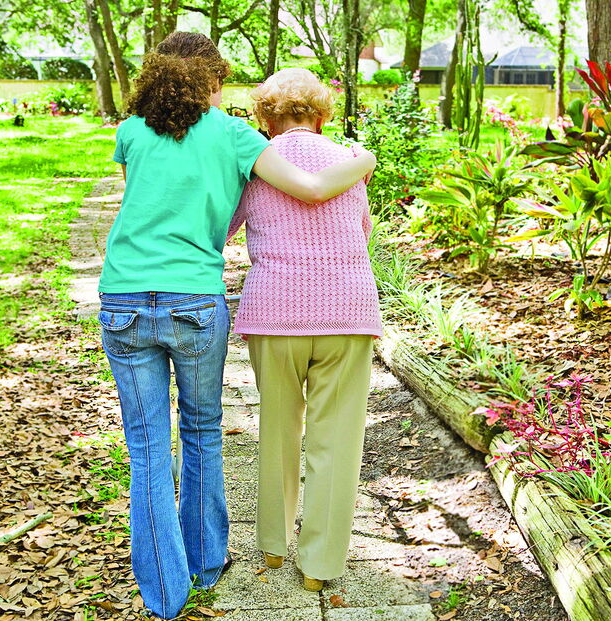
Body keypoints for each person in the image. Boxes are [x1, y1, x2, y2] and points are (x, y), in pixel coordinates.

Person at [98, 34, 376, 620]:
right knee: (222, 432)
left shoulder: (148, 136)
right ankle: (265, 563)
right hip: (273, 306)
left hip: (158, 297)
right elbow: (335, 209)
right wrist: (366, 160)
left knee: (160, 444)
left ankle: (184, 586)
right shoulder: (256, 144)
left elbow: (173, 212)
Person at [226, 68, 383, 592]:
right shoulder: (351, 162)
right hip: (348, 313)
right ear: (321, 115)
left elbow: (223, 229)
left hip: (275, 313)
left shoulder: (256, 167)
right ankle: (319, 566)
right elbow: (360, 233)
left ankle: (273, 546)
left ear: (265, 119)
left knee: (277, 429)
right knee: (336, 442)